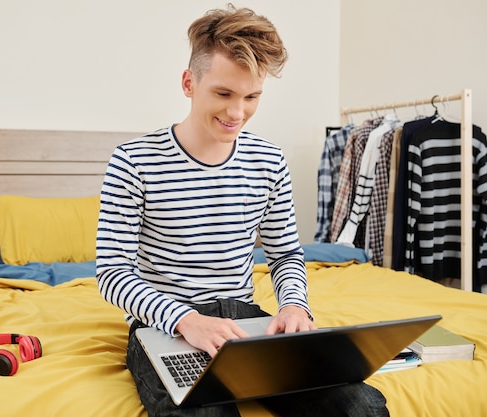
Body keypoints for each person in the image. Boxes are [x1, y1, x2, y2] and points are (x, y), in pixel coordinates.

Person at [96, 4, 389, 417]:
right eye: (223, 93)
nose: (237, 113)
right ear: (188, 82)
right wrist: (185, 320)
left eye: (252, 97)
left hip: (247, 325)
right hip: (167, 328)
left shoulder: (269, 161)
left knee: (360, 406)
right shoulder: (133, 161)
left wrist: (294, 307)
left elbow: (286, 254)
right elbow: (112, 273)